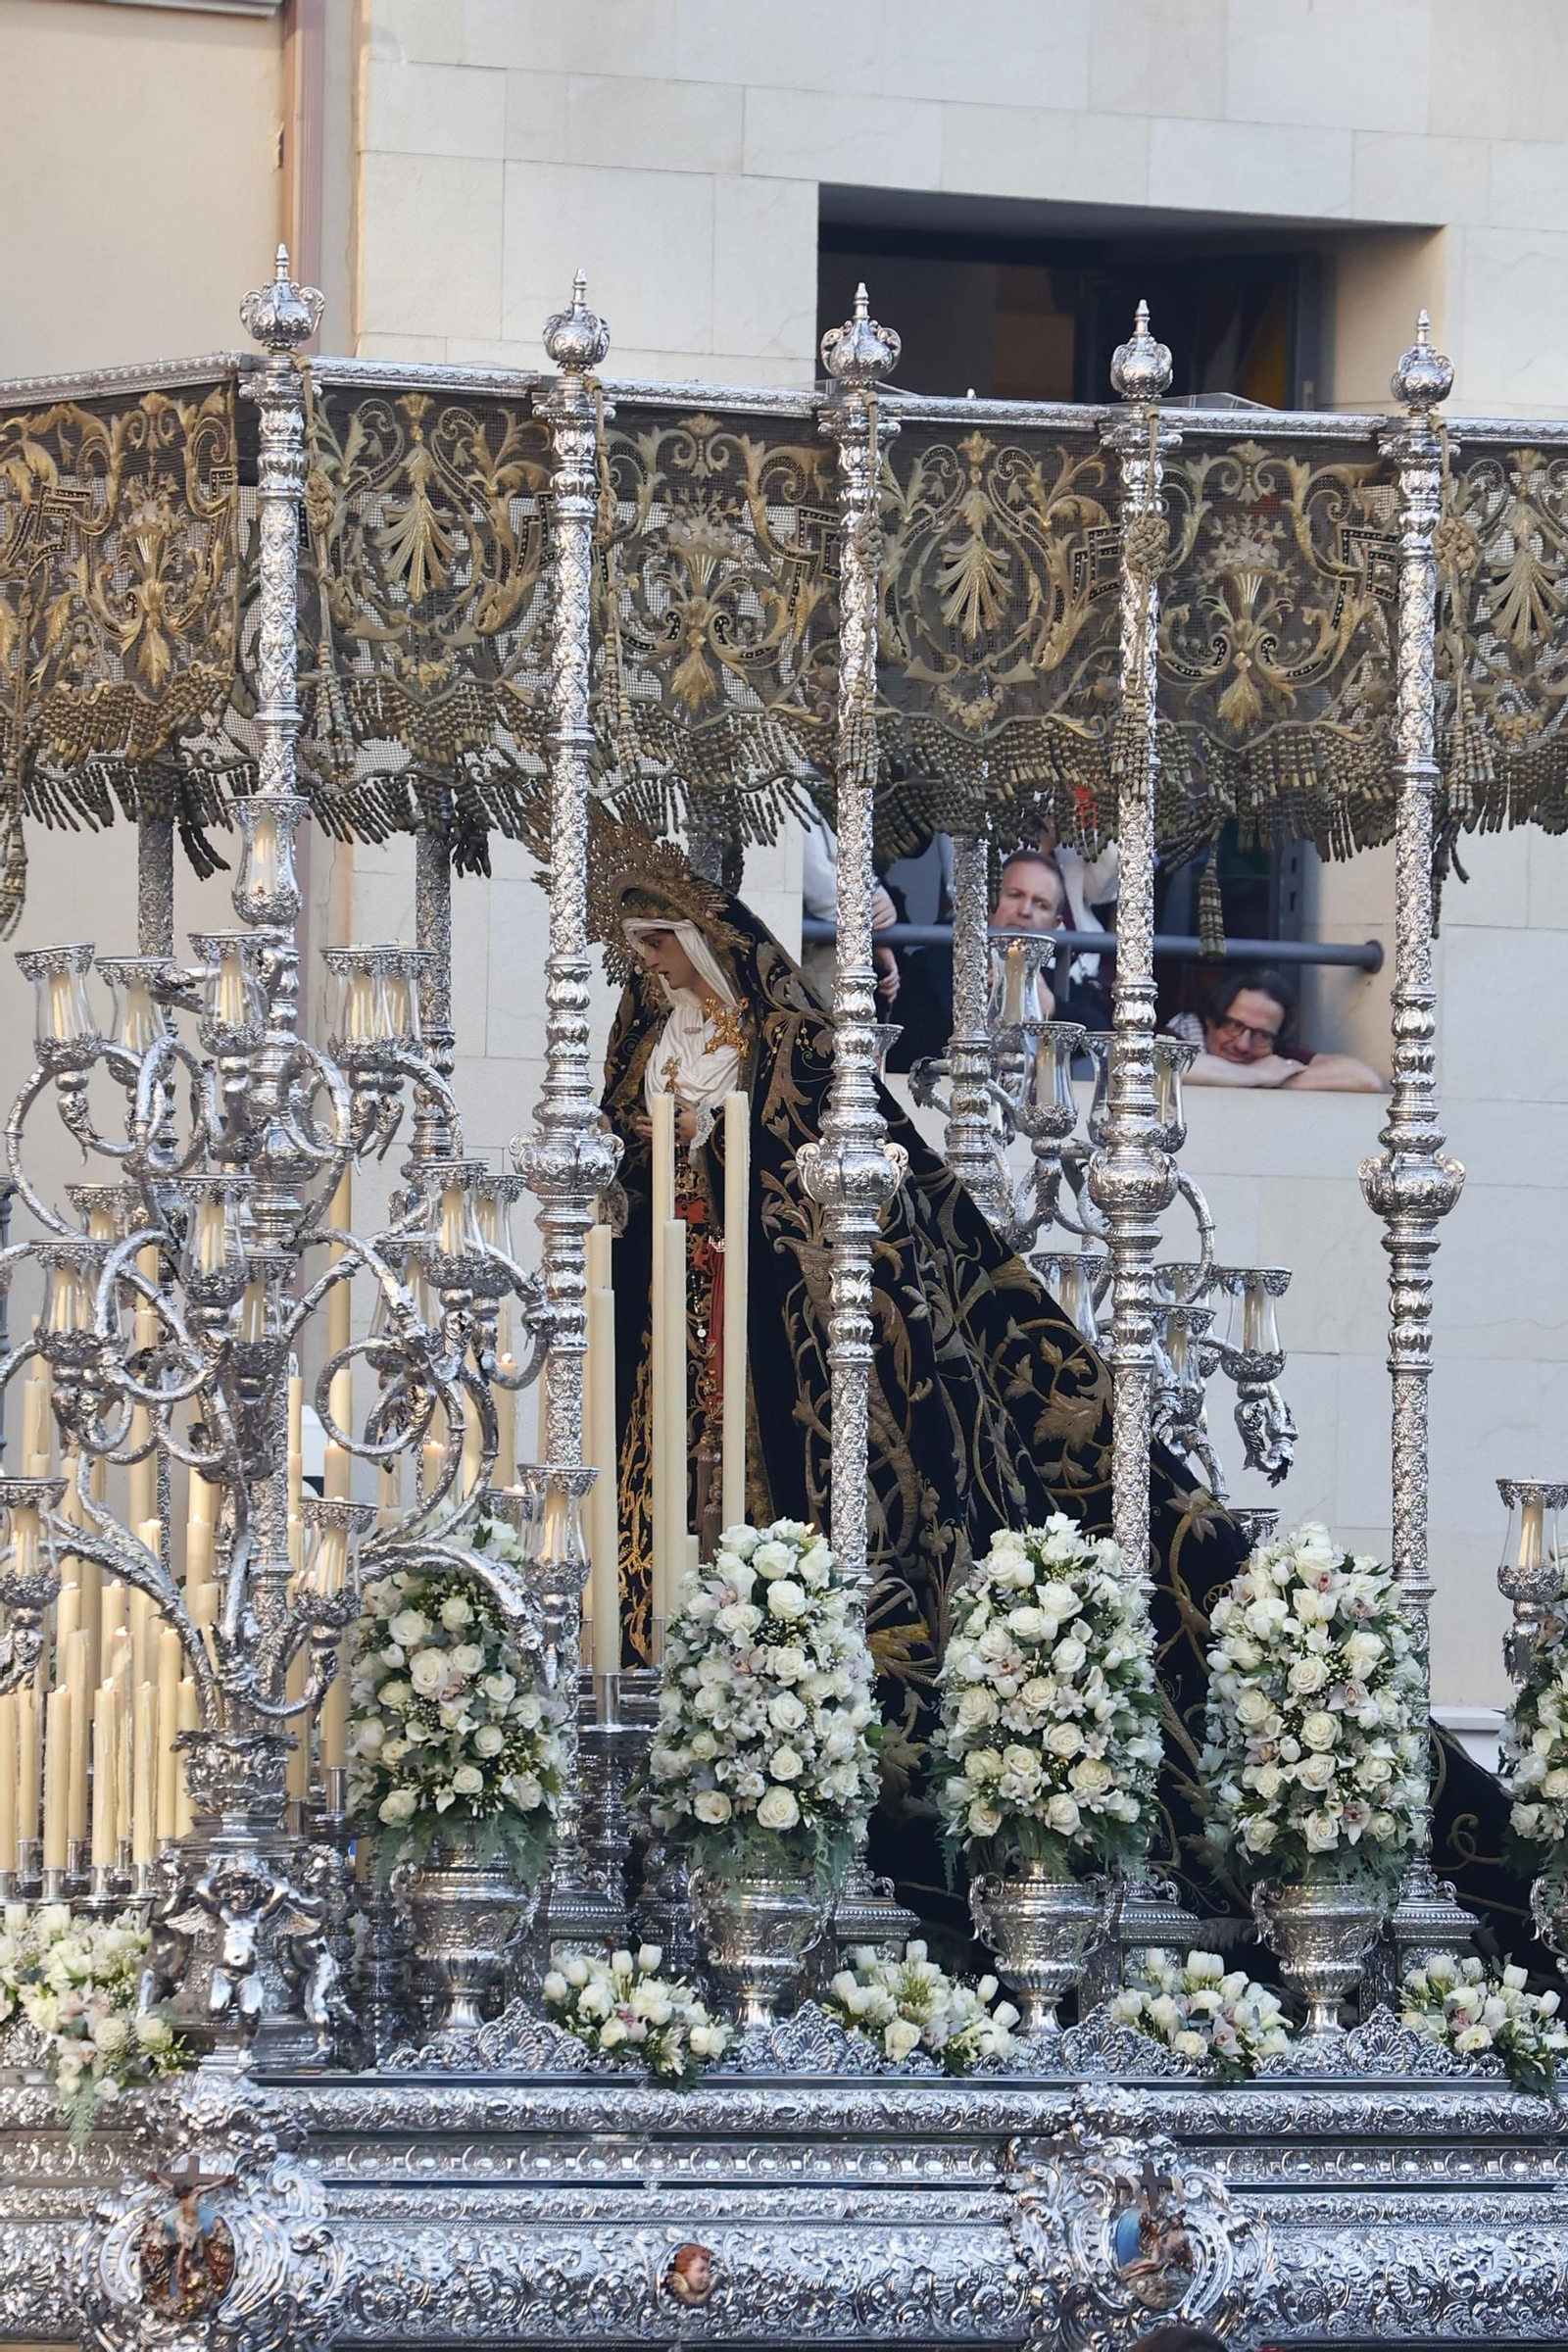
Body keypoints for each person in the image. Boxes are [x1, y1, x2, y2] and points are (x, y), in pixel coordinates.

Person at [593, 820, 1540, 1951]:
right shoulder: (646, 1047)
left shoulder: (784, 1044)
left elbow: (828, 1179)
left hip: (789, 1329)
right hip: (687, 1329)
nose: (652, 962)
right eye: (641, 948)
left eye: (665, 941)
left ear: (711, 942)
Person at [886, 849, 1109, 1073]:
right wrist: (975, 1010)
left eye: (1041, 904)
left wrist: (1049, 1006)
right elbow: (903, 1055)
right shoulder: (932, 967)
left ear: (1055, 924)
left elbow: (1100, 1035)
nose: (1025, 911)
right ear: (988, 903)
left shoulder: (1053, 982)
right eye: (1015, 895)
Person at [1170, 965, 1383, 1094]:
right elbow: (1164, 1068)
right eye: (1235, 1025)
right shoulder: (1175, 1036)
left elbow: (1364, 1079)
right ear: (1209, 1019)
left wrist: (1269, 1079)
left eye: (1261, 1035)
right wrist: (1258, 1076)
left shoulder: (1272, 1059)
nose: (1243, 1045)